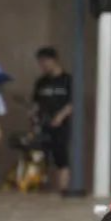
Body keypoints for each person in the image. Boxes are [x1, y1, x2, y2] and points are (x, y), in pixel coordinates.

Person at [32, 46, 72, 192]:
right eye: (40, 62)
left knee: (61, 158)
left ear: (54, 60)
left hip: (61, 127)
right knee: (42, 158)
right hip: (43, 125)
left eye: (45, 61)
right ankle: (43, 189)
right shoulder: (41, 82)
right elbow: (36, 103)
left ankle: (63, 189)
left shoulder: (67, 80)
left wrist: (60, 116)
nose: (42, 65)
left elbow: (73, 103)